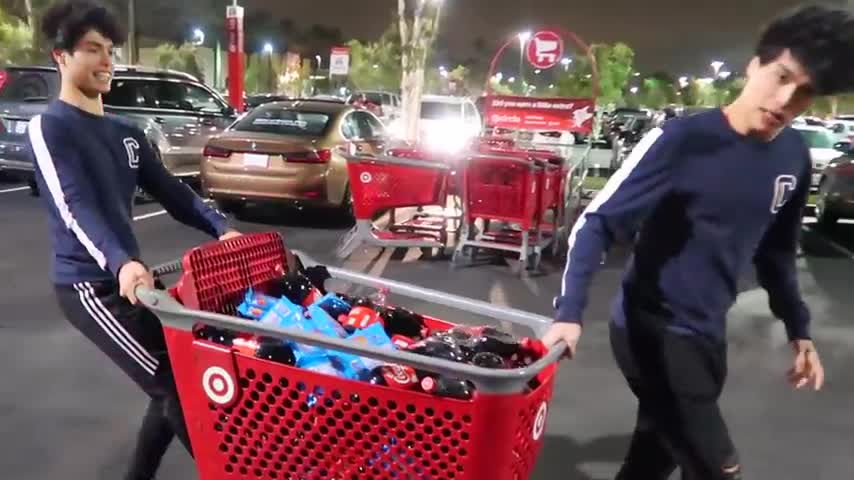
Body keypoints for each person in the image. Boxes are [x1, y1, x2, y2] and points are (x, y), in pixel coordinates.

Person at [543, 5, 854, 479]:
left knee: (654, 457)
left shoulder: (793, 154)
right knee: (717, 468)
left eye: (805, 93)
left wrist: (799, 328)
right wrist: (569, 313)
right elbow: (597, 222)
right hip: (650, 330)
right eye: (781, 77)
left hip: (707, 333)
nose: (786, 99)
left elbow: (776, 255)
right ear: (755, 64)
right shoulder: (682, 140)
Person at [27, 2, 242, 479]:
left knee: (175, 378)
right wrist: (121, 260)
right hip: (89, 286)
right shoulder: (51, 127)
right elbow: (73, 204)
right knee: (178, 386)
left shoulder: (127, 133)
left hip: (129, 281)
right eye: (92, 50)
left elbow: (174, 192)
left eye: (110, 51)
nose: (106, 62)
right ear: (61, 57)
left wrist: (221, 228)